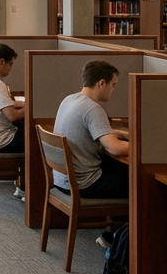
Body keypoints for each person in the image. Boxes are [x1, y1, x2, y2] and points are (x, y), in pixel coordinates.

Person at [53, 60, 129, 199]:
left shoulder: (69, 100)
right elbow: (115, 148)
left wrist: (112, 133)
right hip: (83, 183)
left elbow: (89, 131)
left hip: (61, 179)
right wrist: (143, 147)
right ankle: (129, 221)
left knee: (123, 170)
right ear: (101, 83)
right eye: (113, 85)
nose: (113, 90)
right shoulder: (93, 109)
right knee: (139, 182)